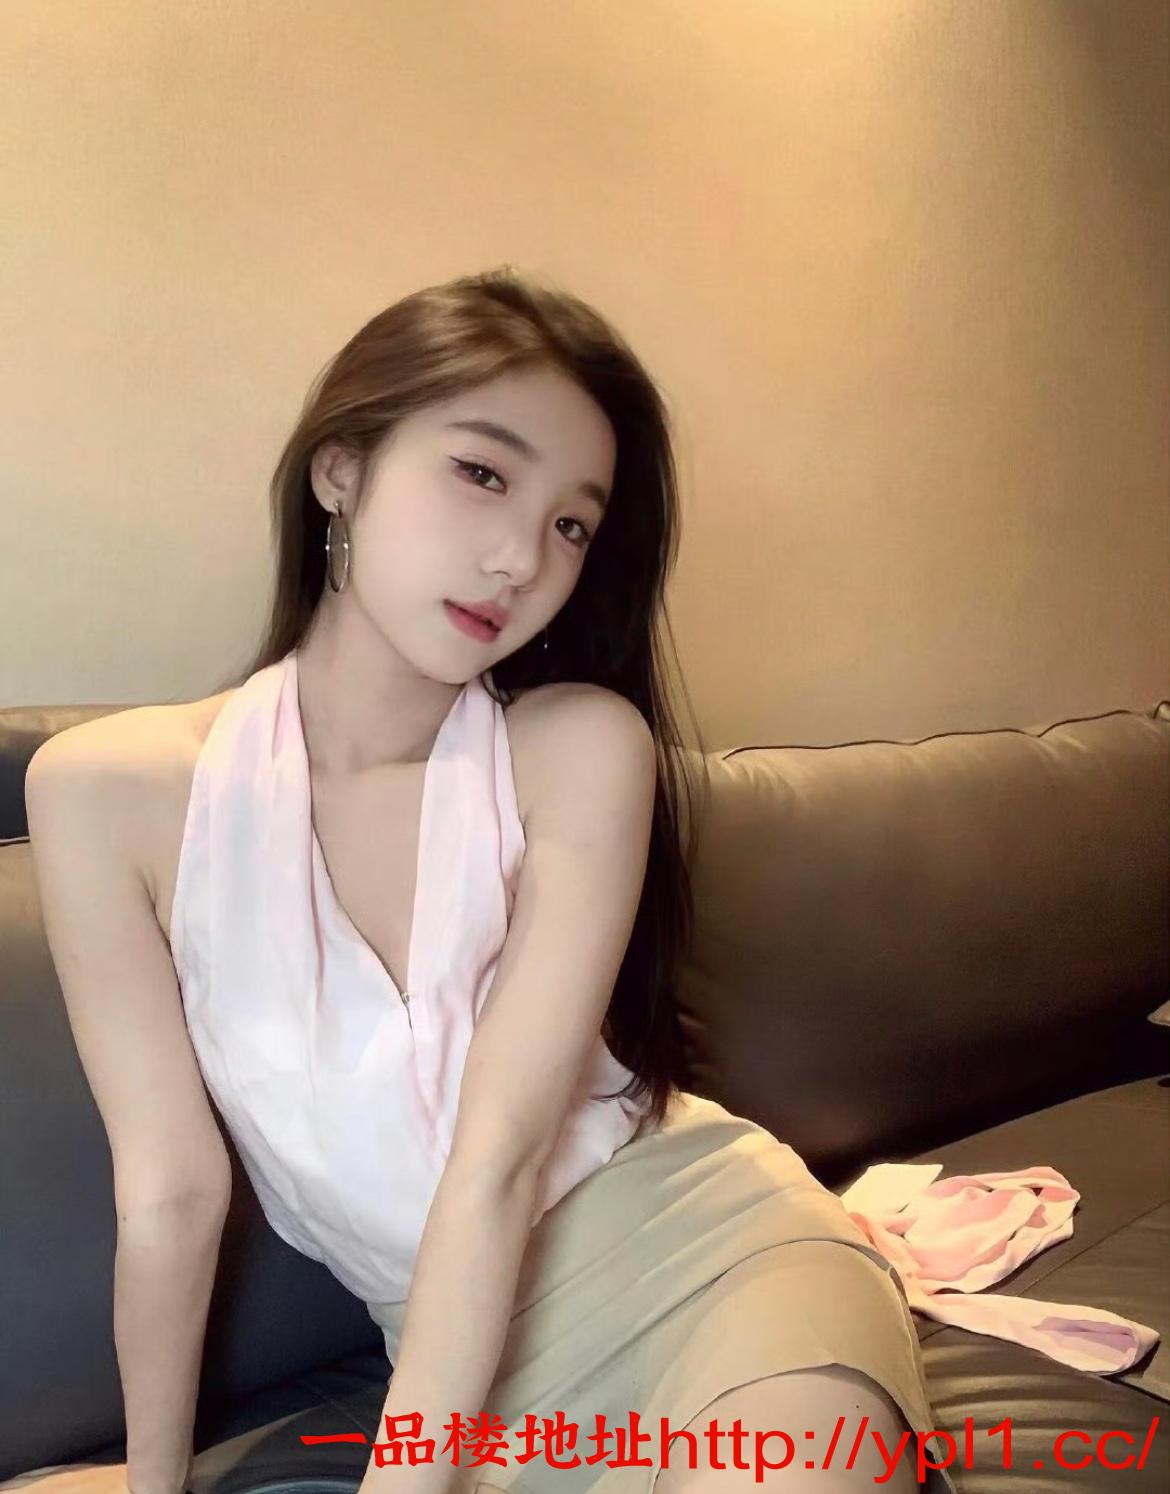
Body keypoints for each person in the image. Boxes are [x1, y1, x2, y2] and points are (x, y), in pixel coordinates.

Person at [26, 267, 958, 1494]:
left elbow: (500, 1159)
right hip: (459, 1362)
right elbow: (171, 1193)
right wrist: (155, 1485)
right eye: (481, 472)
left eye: (572, 524)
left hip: (719, 1276)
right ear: (341, 470)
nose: (521, 558)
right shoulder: (103, 792)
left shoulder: (575, 751)